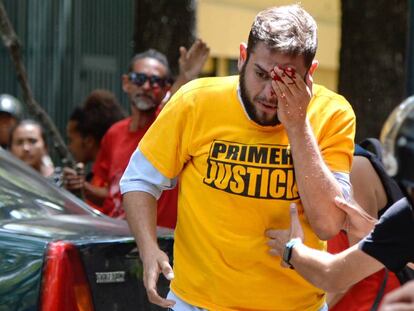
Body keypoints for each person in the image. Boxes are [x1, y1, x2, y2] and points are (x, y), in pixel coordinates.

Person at [120, 4, 356, 310]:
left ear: (309, 74)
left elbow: (328, 224)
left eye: (287, 79)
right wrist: (149, 249)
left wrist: (298, 125)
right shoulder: (195, 101)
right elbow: (139, 179)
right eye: (261, 74)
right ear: (242, 58)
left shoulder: (332, 113)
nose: (271, 92)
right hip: (197, 302)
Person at [93, 39, 209, 226]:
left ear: (166, 89)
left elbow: (174, 106)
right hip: (115, 242)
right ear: (126, 83)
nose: (146, 87)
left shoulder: (167, 126)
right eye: (139, 79)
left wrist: (185, 77)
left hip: (159, 244)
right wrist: (79, 186)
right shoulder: (114, 134)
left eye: (155, 82)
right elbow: (110, 192)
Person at [63, 89, 126, 206]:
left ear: (88, 141)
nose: (69, 147)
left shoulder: (109, 179)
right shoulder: (95, 177)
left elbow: (113, 201)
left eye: (71, 140)